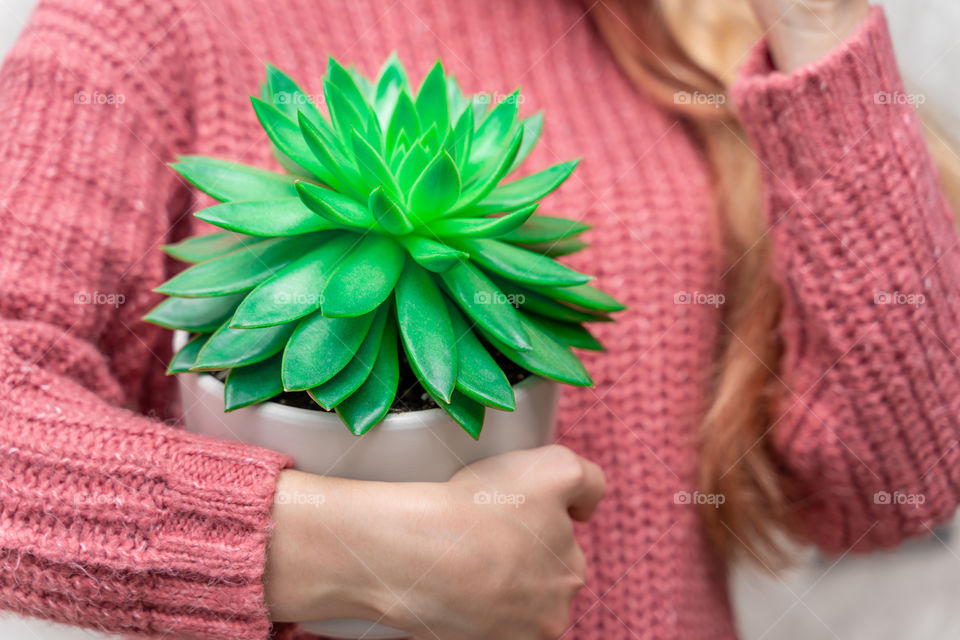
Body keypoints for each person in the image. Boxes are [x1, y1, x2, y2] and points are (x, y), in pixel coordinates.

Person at [1, 0, 958, 639]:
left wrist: (819, 28)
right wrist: (352, 549)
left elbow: (896, 490)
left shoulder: (673, 30)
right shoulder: (147, 24)